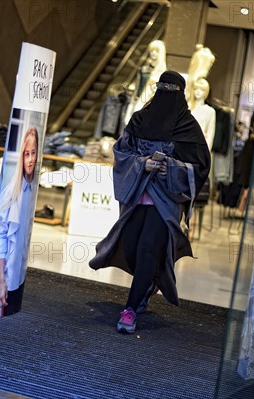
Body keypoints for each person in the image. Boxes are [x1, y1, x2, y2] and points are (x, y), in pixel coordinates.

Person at [89, 71, 211, 334]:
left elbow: (201, 165)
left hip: (165, 201)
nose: (166, 96)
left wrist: (173, 168)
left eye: (172, 91)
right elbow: (122, 152)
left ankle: (130, 310)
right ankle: (151, 278)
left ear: (180, 94)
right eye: (162, 89)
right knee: (131, 246)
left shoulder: (188, 127)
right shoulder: (139, 119)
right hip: (136, 197)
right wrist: (142, 164)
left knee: (146, 249)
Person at [0, 127, 39, 317]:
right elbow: (0, 238)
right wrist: (0, 282)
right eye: (26, 154)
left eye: (33, 153)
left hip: (19, 278)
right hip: (6, 280)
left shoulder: (31, 190)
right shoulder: (12, 193)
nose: (30, 159)